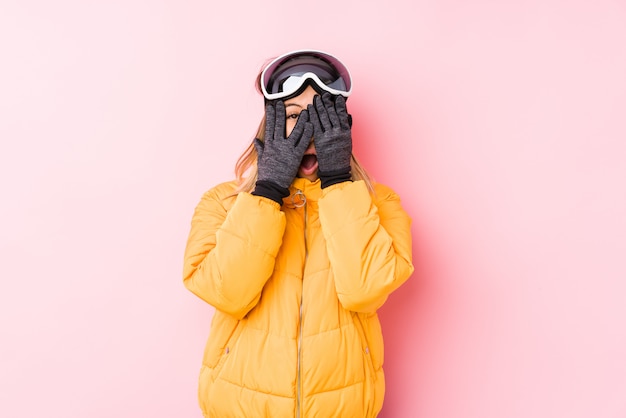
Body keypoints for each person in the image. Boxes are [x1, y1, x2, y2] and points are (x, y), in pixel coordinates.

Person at [182, 49, 414, 418]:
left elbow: (364, 290)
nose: (308, 131)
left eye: (322, 118)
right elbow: (225, 293)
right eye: (293, 116)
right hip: (238, 406)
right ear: (270, 124)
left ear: (342, 126)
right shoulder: (223, 203)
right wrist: (268, 190)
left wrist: (338, 181)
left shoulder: (378, 203)